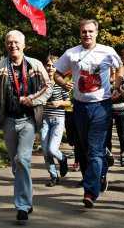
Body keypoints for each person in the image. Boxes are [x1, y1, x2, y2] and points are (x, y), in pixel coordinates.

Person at [0, 30, 52, 222]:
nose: (13, 46)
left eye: (17, 42)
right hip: (9, 120)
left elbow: (48, 87)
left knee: (22, 159)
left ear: (24, 45)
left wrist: (33, 100)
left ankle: (22, 206)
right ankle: (26, 195)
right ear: (6, 45)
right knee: (15, 162)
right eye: (9, 43)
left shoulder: (35, 65)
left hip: (28, 120)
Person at [54, 19, 123, 208]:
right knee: (84, 149)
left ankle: (90, 192)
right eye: (84, 31)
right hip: (80, 107)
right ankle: (98, 173)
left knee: (93, 149)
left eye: (91, 31)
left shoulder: (107, 51)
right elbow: (57, 73)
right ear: (80, 33)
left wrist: (117, 85)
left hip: (101, 106)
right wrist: (63, 83)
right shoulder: (71, 53)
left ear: (97, 32)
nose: (87, 34)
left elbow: (120, 67)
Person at [41, 55, 70, 187]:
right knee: (45, 151)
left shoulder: (62, 82)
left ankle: (63, 159)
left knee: (52, 149)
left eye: (53, 65)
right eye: (48, 65)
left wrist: (59, 102)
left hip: (58, 118)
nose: (51, 68)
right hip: (44, 119)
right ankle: (53, 176)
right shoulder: (41, 82)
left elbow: (70, 101)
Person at [106, 48, 124, 167]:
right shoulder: (111, 73)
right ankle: (109, 155)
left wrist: (121, 92)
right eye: (123, 58)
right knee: (107, 134)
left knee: (123, 132)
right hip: (109, 107)